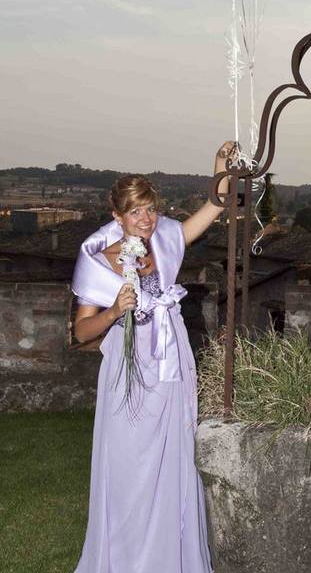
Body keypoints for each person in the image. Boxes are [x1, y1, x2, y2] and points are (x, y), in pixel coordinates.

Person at [69, 141, 237, 573]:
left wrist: (219, 165)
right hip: (129, 371)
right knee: (129, 466)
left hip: (171, 363)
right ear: (117, 217)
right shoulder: (97, 261)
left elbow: (214, 207)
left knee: (173, 462)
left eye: (151, 209)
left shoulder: (165, 239)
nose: (146, 220)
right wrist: (113, 312)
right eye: (136, 213)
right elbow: (80, 332)